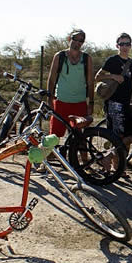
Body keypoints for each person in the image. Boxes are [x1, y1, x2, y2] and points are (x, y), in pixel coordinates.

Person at [40, 29, 94, 172]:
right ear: (69, 38)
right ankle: (44, 163)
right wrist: (50, 99)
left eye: (81, 40)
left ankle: (85, 164)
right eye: (75, 39)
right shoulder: (60, 56)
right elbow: (51, 79)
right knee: (54, 135)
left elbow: (90, 82)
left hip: (80, 102)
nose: (77, 42)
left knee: (80, 136)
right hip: (61, 101)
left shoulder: (86, 58)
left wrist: (91, 103)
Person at [95, 33, 132, 178]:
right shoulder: (112, 60)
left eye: (127, 44)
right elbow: (98, 76)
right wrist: (113, 76)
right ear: (117, 46)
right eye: (122, 44)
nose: (125, 47)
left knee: (131, 135)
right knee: (118, 136)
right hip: (113, 104)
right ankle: (112, 167)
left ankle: (112, 162)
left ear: (131, 46)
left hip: (126, 104)